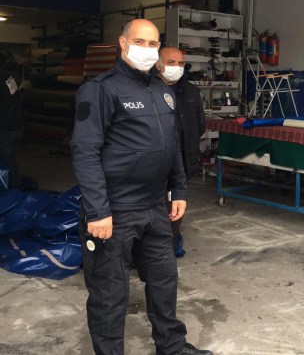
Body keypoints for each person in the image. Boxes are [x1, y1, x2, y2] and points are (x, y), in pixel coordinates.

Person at [71, 19, 211, 355]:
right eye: (140, 42)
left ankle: (171, 346)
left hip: (154, 208)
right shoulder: (100, 89)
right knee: (109, 292)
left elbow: (172, 147)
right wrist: (98, 210)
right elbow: (85, 152)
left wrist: (179, 190)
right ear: (122, 43)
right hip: (114, 211)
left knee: (164, 280)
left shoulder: (163, 92)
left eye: (153, 44)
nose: (147, 50)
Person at [155, 47, 206, 257]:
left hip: (183, 162)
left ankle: (167, 249)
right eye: (171, 63)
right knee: (154, 210)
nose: (176, 67)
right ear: (158, 64)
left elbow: (200, 125)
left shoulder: (191, 91)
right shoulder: (148, 89)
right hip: (155, 164)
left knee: (175, 209)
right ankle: (147, 253)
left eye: (180, 63)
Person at [0, 68, 24, 190]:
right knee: (9, 158)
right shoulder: (8, 76)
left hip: (5, 128)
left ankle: (13, 190)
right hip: (14, 124)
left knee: (7, 160)